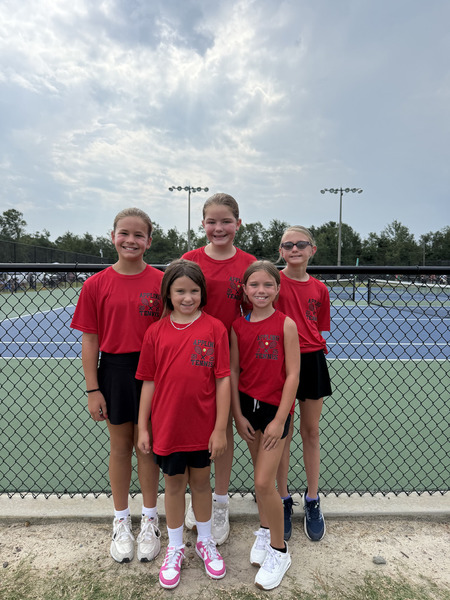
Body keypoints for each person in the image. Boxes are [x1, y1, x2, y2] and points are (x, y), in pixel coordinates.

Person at [70, 207, 163, 564]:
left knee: (148, 447)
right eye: (124, 233)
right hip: (115, 371)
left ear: (149, 241)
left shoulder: (161, 282)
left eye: (139, 235)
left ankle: (150, 520)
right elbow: (90, 340)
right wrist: (93, 389)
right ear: (112, 237)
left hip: (154, 372)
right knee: (121, 447)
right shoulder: (96, 284)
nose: (131, 240)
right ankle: (121, 520)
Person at [136, 259, 230, 589]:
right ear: (168, 294)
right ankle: (175, 547)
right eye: (180, 291)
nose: (187, 297)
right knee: (174, 486)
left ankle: (205, 541)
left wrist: (220, 428)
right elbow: (148, 381)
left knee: (202, 484)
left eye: (194, 291)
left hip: (202, 428)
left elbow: (222, 380)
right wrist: (143, 426)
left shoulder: (215, 328)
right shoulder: (155, 332)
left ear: (202, 293)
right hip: (168, 427)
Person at [182, 192, 256, 544]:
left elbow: (254, 313)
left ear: (238, 224)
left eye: (226, 221)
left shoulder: (249, 263)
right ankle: (195, 497)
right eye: (212, 221)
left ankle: (221, 501)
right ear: (203, 224)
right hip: (191, 357)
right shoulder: (190, 260)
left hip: (229, 360)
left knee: (222, 430)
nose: (219, 228)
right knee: (191, 427)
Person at [230, 261, 300, 590]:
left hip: (275, 413)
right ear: (244, 289)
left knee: (262, 483)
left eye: (268, 285)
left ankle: (279, 550)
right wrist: (238, 415)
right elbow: (234, 372)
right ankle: (264, 530)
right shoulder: (236, 326)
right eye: (254, 285)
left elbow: (293, 375)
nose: (261, 290)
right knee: (260, 479)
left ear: (277, 289)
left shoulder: (286, 324)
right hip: (248, 410)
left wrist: (280, 419)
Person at [275, 226, 332, 542]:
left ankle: (312, 499)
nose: (294, 249)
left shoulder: (320, 289)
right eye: (288, 245)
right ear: (281, 251)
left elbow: (317, 327)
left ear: (312, 249)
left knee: (310, 431)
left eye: (301, 244)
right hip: (278, 363)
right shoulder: (272, 281)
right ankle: (282, 498)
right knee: (281, 433)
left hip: (311, 362)